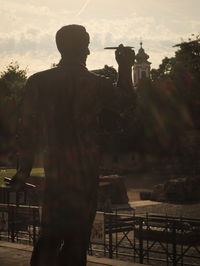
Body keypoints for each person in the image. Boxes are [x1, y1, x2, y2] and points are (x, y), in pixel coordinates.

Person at [10, 25, 135, 266]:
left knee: (49, 236)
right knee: (77, 240)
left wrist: (23, 171)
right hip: (84, 171)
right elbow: (127, 102)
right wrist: (124, 66)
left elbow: (27, 133)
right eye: (86, 45)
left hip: (55, 170)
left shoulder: (38, 82)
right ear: (80, 48)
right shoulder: (97, 84)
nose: (88, 51)